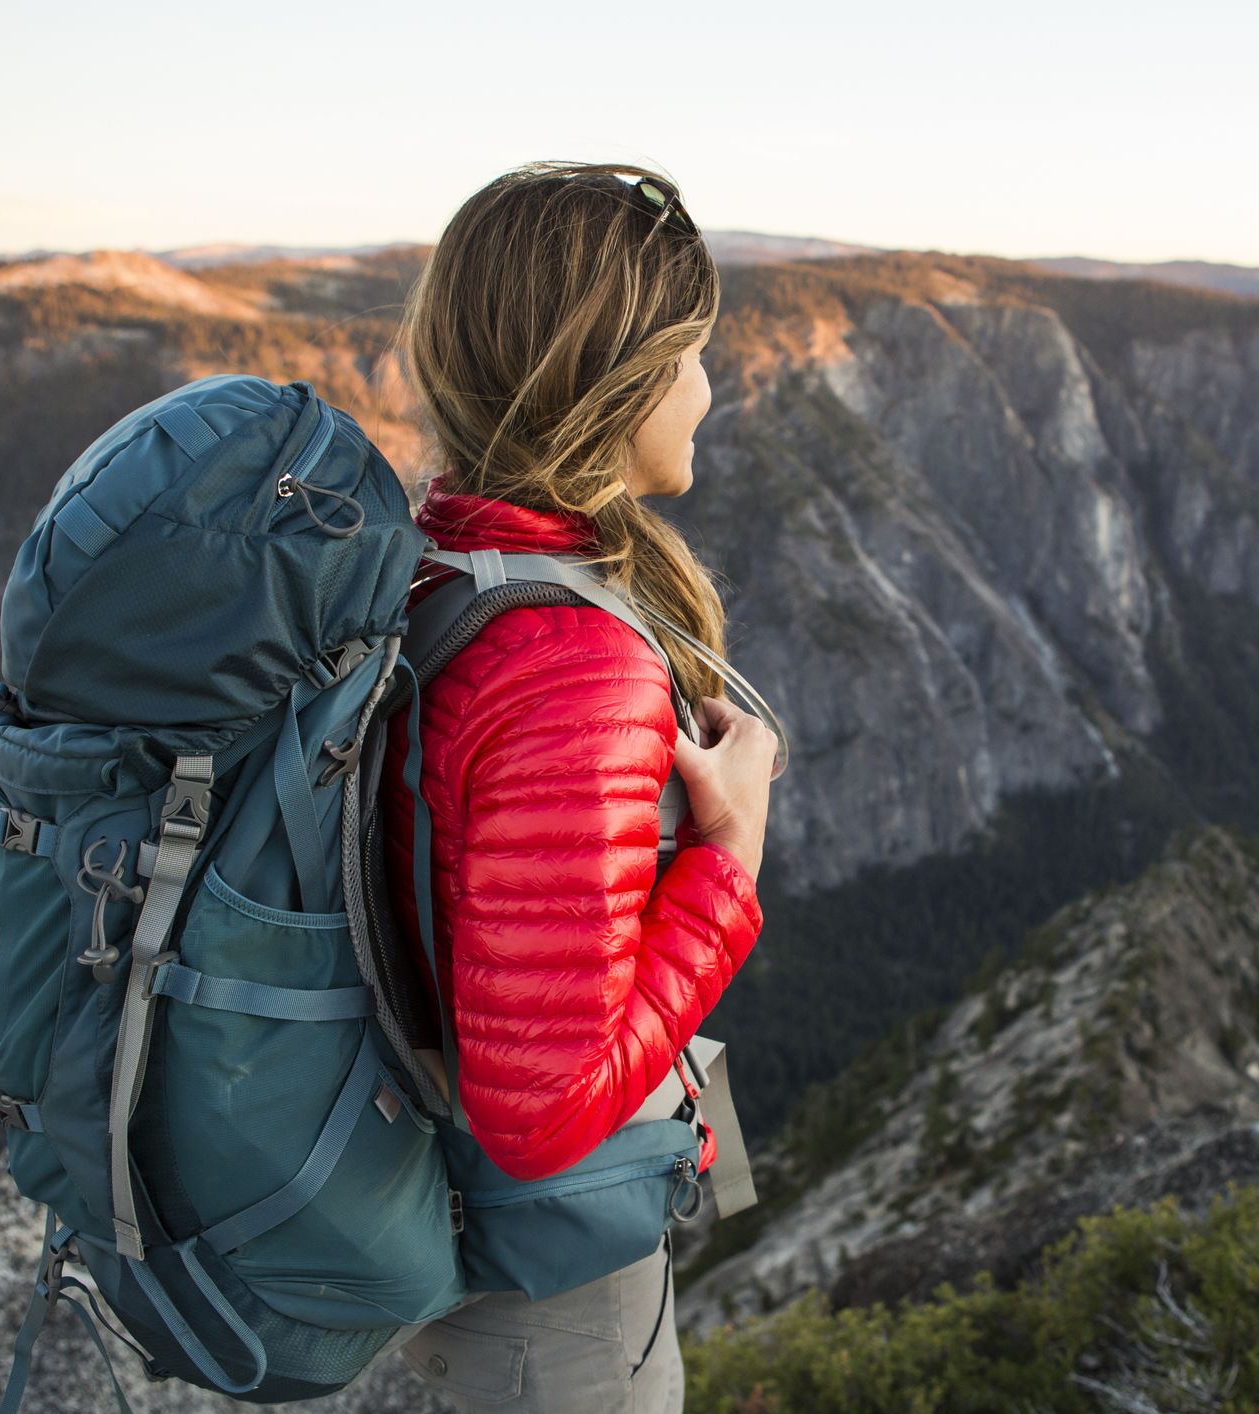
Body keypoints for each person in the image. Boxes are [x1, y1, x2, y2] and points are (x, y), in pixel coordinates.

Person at [376, 160, 778, 1411]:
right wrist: (729, 861)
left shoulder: (434, 556)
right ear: (617, 374)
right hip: (550, 1326)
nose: (714, 387)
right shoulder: (571, 670)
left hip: (450, 1237)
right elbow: (542, 1115)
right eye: (695, 353)